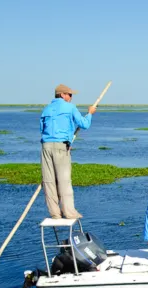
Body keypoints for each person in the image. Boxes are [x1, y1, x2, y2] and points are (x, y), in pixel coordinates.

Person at [39, 84, 97, 219]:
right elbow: (84, 124)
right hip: (61, 146)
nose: (71, 97)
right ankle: (69, 212)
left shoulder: (46, 109)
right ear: (62, 95)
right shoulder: (70, 107)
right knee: (64, 180)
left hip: (46, 146)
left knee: (49, 181)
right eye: (70, 95)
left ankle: (54, 213)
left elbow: (42, 129)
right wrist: (90, 113)